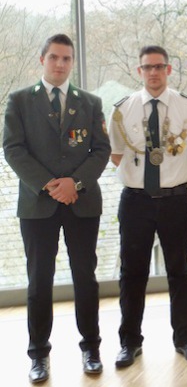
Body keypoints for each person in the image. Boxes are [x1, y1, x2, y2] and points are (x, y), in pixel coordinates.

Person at [2, 33, 111, 383]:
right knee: (39, 283)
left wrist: (74, 184)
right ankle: (38, 355)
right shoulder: (19, 101)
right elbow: (13, 149)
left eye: (66, 58)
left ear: (72, 62)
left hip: (82, 203)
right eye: (54, 57)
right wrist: (51, 185)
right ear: (42, 60)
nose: (60, 64)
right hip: (38, 204)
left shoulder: (91, 103)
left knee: (85, 279)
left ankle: (91, 349)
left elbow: (101, 150)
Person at [109, 45, 187, 368]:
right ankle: (129, 342)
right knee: (132, 273)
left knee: (179, 271)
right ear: (139, 72)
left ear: (168, 69)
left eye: (159, 66)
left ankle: (185, 339)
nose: (153, 72)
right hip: (136, 202)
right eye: (147, 67)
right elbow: (116, 155)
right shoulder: (123, 110)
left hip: (175, 201)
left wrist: (170, 177)